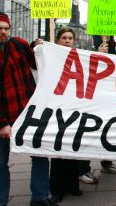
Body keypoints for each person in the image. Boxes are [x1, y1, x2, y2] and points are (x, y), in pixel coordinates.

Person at [0, 11, 56, 206]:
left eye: (6, 28)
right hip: (1, 120)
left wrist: (39, 49)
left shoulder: (18, 44)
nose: (3, 32)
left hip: (28, 115)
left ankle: (40, 197)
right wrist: (0, 124)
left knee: (40, 155)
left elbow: (36, 64)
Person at [78, 35, 116, 184]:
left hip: (110, 100)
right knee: (88, 133)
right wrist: (98, 55)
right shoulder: (88, 52)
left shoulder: (114, 52)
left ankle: (107, 163)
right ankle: (83, 169)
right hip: (92, 100)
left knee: (108, 132)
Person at [49, 28, 83, 203]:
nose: (67, 40)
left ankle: (72, 185)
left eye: (70, 38)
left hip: (75, 108)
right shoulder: (52, 56)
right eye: (64, 38)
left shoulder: (81, 56)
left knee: (73, 150)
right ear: (57, 40)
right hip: (57, 109)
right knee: (58, 151)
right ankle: (57, 189)